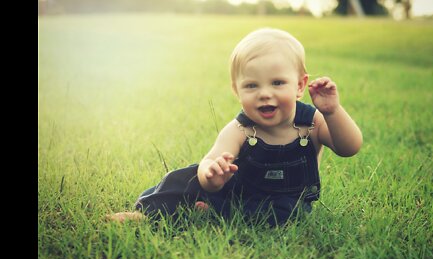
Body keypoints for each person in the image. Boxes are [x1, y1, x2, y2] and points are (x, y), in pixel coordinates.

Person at [107, 28, 362, 226]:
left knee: (288, 213)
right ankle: (148, 212)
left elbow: (349, 147)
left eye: (277, 83)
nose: (264, 93)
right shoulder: (240, 129)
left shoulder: (313, 122)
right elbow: (211, 159)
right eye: (252, 86)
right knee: (186, 177)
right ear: (236, 91)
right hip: (235, 192)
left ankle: (212, 214)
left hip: (284, 202)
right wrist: (211, 175)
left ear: (299, 85)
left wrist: (333, 112)